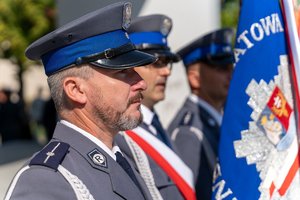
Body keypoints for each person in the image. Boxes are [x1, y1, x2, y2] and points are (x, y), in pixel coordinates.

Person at [5, 2, 158, 200]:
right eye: (123, 72)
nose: (141, 83)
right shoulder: (45, 182)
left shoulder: (122, 158)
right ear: (76, 90)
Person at [115, 14, 195, 200]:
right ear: (131, 66)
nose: (166, 71)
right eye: (156, 63)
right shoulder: (121, 135)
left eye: (167, 63)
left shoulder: (154, 124)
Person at [168, 28, 235, 200]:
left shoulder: (215, 121)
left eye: (231, 67)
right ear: (194, 78)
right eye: (221, 68)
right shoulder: (188, 133)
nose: (231, 74)